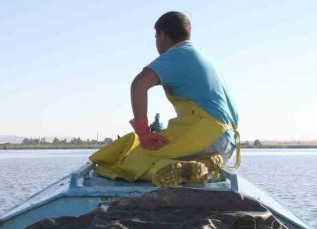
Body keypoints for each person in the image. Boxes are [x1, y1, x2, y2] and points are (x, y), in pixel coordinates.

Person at [90, 11, 240, 185]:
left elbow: (138, 85)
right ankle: (206, 164)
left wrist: (144, 133)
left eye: (156, 37)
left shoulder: (177, 55)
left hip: (208, 137)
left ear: (162, 36)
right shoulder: (202, 56)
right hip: (228, 143)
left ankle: (173, 167)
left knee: (130, 160)